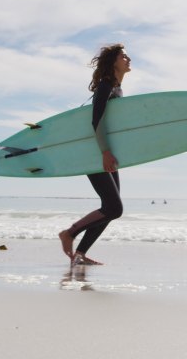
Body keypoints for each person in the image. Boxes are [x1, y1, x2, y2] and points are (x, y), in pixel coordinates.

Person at [58, 44, 131, 266]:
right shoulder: (105, 86)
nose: (128, 59)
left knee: (110, 208)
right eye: (123, 56)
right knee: (114, 208)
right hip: (96, 154)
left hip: (105, 153)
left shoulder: (116, 88)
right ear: (113, 62)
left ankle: (80, 254)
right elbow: (96, 119)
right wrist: (105, 152)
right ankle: (69, 233)